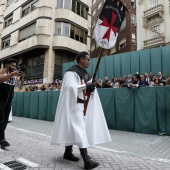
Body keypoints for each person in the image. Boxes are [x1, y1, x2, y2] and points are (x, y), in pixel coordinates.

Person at [51, 51, 111, 169]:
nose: (89, 61)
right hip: (73, 105)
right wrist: (86, 86)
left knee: (74, 129)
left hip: (82, 105)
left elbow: (87, 88)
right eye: (88, 59)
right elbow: (69, 88)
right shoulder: (71, 72)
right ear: (81, 59)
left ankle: (67, 152)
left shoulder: (85, 74)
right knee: (80, 130)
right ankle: (86, 159)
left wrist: (92, 87)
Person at [0, 59, 21, 149]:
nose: (14, 67)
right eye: (12, 65)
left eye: (15, 65)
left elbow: (18, 86)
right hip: (0, 99)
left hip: (9, 101)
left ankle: (1, 138)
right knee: (1, 119)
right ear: (7, 65)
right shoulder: (2, 71)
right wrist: (11, 74)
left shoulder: (14, 74)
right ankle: (2, 140)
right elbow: (1, 79)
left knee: (5, 121)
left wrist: (21, 77)